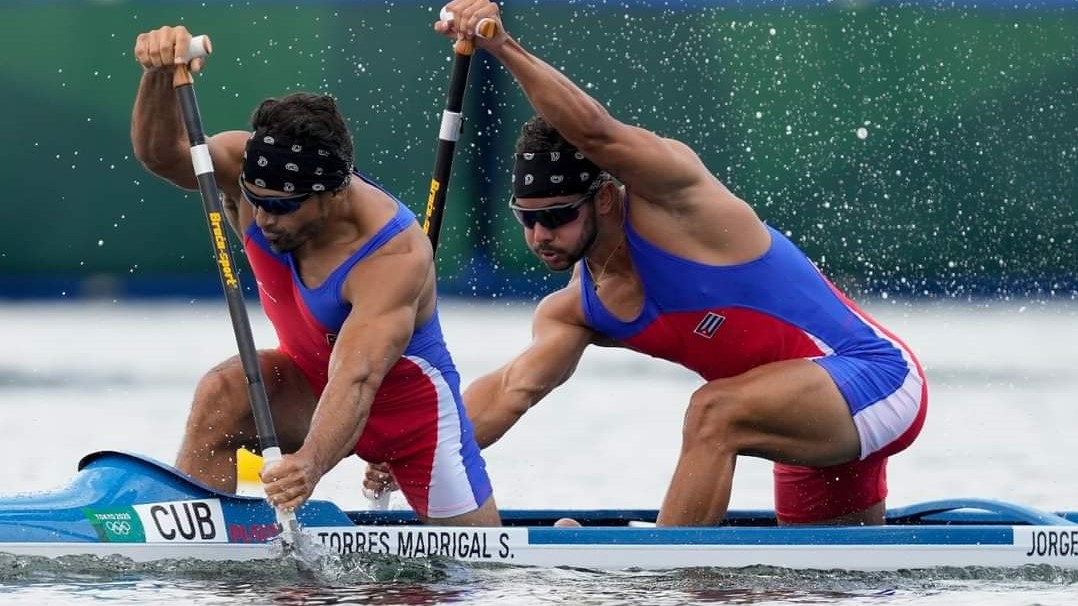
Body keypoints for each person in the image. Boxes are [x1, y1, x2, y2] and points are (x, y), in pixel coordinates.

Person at [369, 2, 928, 527]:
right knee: (824, 588)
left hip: (876, 376)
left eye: (559, 215)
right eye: (528, 218)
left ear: (604, 197)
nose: (541, 235)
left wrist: (504, 46)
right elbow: (512, 390)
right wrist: (419, 447)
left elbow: (594, 133)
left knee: (713, 413)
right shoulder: (574, 311)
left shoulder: (679, 201)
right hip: (806, 421)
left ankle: (663, 577)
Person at [130, 25, 499, 526]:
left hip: (412, 421)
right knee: (223, 391)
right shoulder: (244, 166)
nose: (262, 220)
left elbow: (358, 378)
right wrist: (155, 74)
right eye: (255, 200)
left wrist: (309, 465)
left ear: (334, 193)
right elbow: (163, 155)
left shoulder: (392, 253)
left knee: (469, 580)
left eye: (281, 207)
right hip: (309, 389)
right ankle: (201, 537)